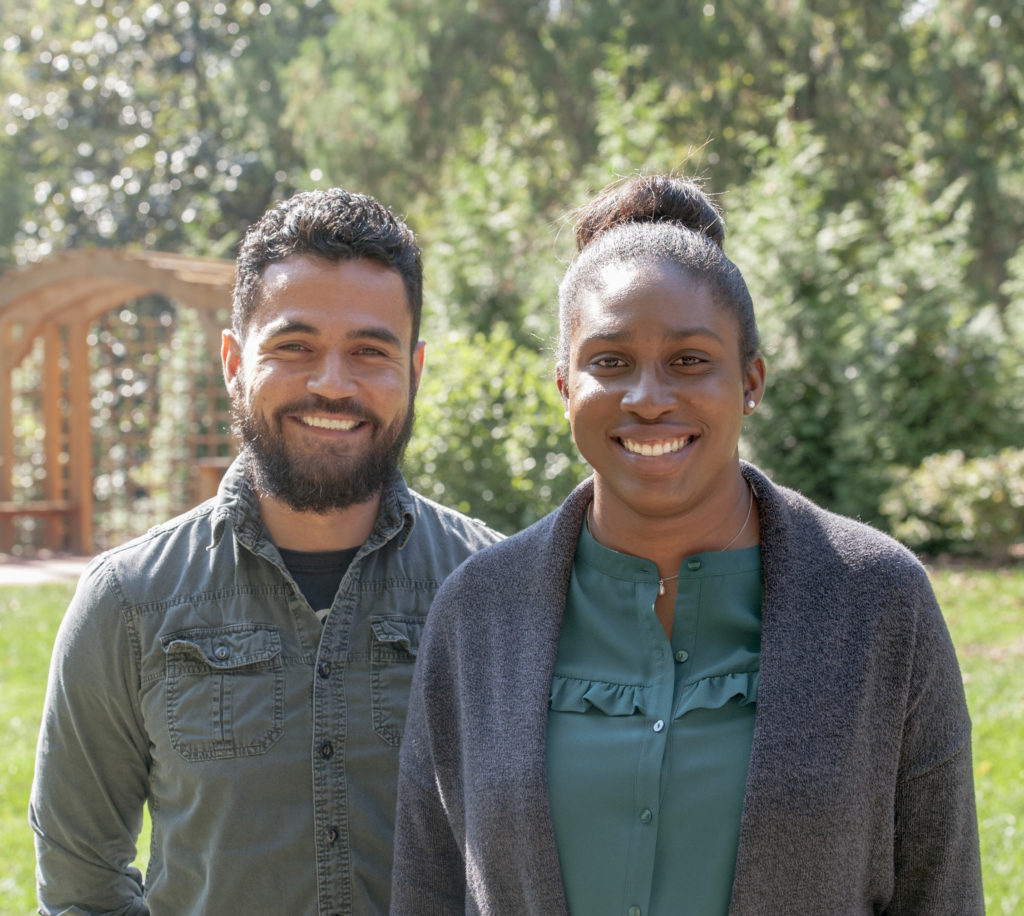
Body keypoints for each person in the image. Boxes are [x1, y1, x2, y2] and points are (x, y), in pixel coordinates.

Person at [390, 174, 983, 914]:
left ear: (751, 380)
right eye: (608, 362)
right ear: (564, 387)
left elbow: (942, 892)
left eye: (690, 361)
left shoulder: (877, 601)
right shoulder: (478, 614)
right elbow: (429, 889)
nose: (647, 396)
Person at [29, 187, 502, 915]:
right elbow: (81, 886)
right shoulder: (126, 602)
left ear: (415, 367)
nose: (332, 384)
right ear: (232, 361)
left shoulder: (492, 591)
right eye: (294, 346)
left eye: (370, 352)